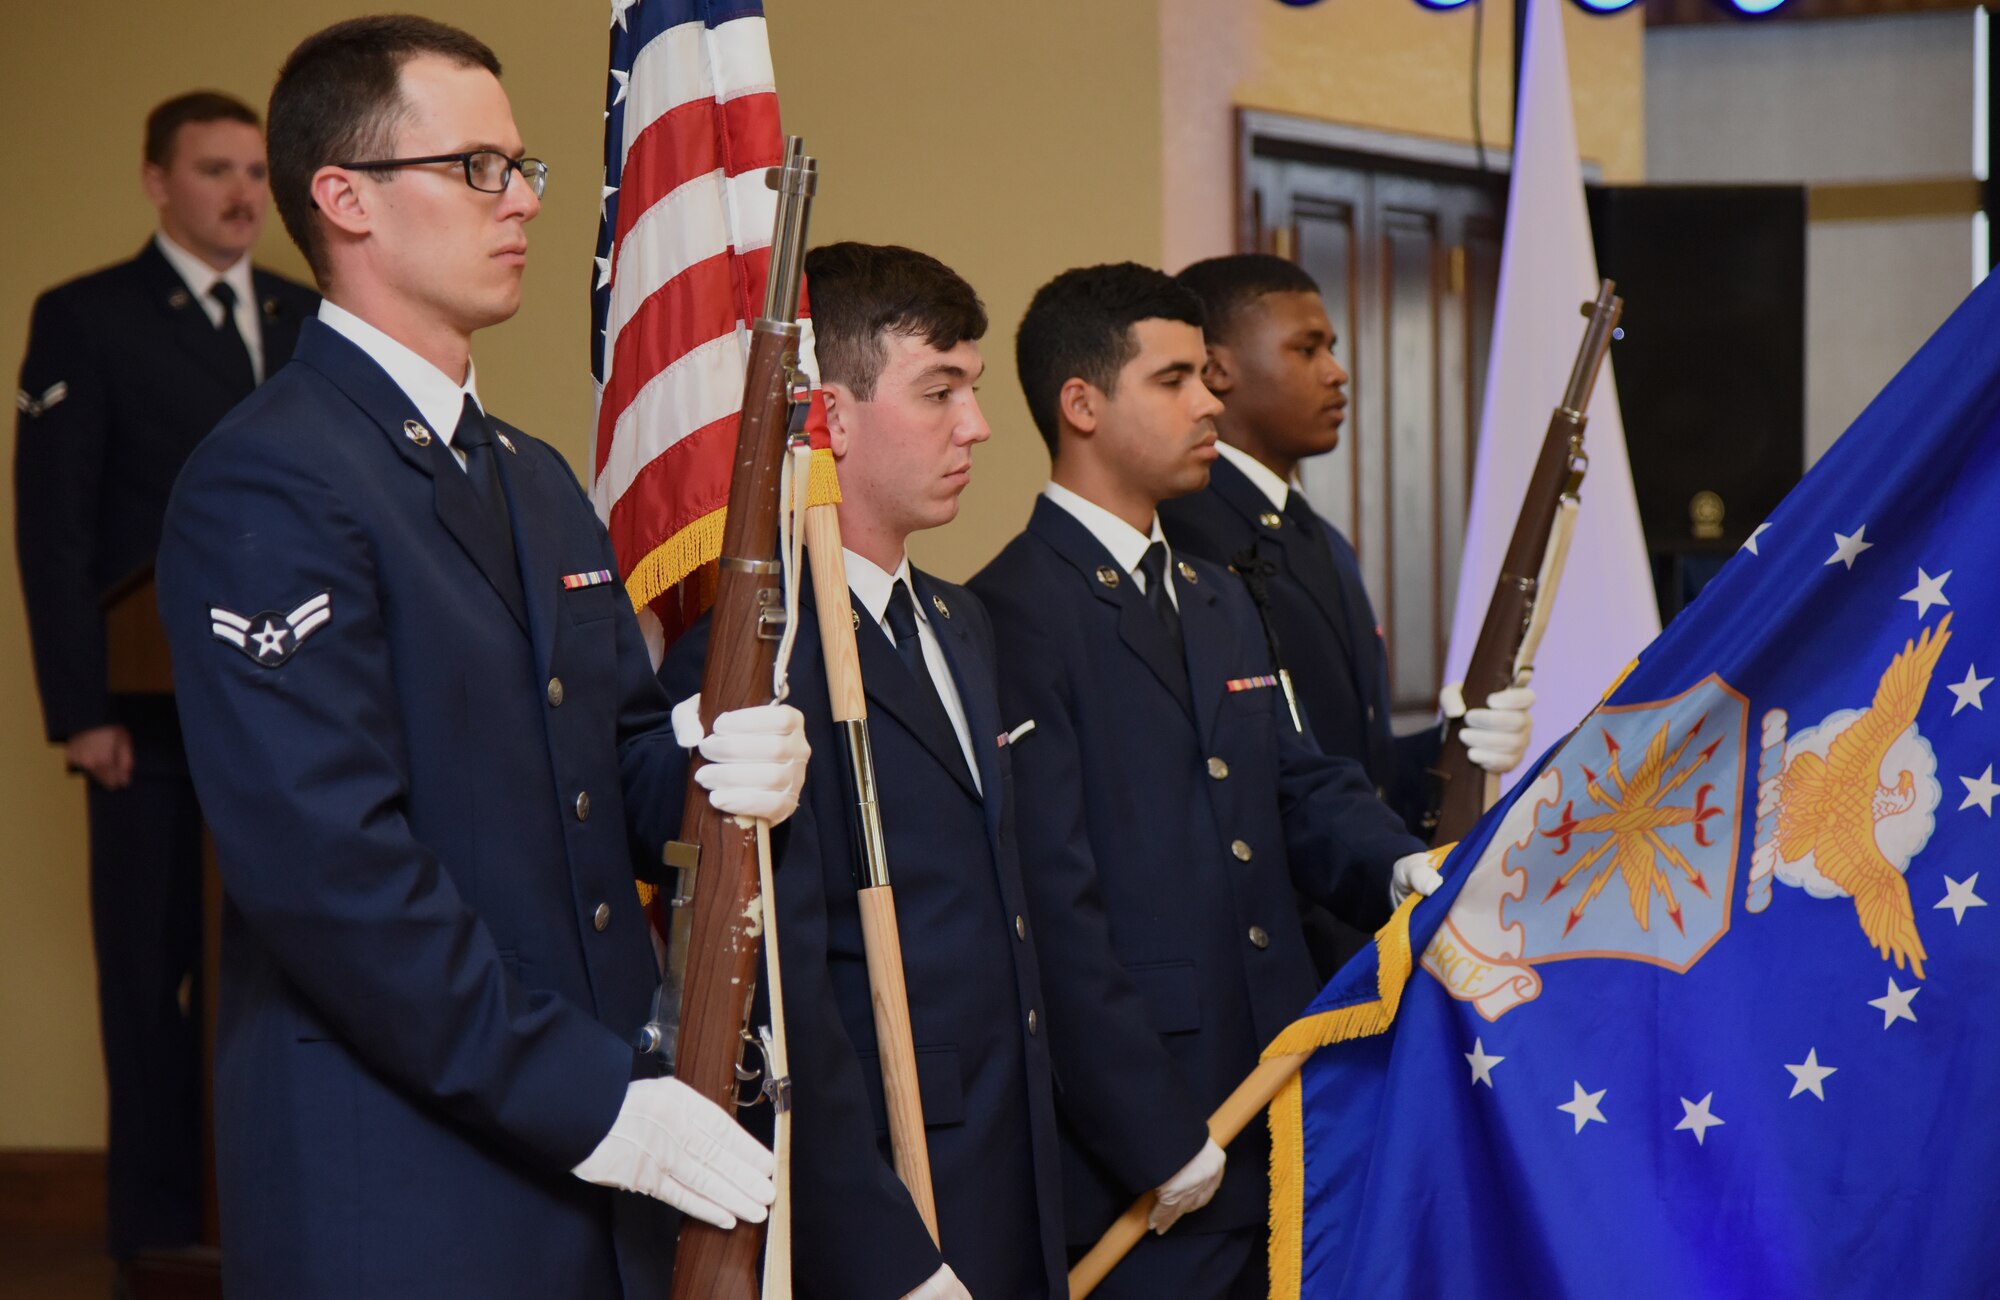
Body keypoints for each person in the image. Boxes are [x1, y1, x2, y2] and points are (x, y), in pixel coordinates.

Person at [153, 18, 794, 1296]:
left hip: (578, 1136)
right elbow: (335, 875)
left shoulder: (530, 476)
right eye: (475, 169)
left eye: (524, 168)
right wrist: (597, 1100)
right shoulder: (270, 478)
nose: (522, 205)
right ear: (345, 200)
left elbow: (605, 766)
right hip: (403, 1162)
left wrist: (712, 764)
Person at [968, 263, 1443, 1299]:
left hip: (1273, 1087)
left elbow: (1291, 780)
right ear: (1081, 404)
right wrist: (1150, 1129)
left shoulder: (1214, 595)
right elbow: (1055, 906)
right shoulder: (1008, 612)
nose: (1209, 403)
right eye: (1174, 379)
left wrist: (1398, 865)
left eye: (1207, 378)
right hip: (1145, 1136)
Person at [658, 243, 1066, 1299]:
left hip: (1010, 1162)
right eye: (938, 393)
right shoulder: (756, 650)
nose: (974, 427)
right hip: (879, 1195)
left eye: (970, 392)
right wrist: (889, 1258)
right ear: (826, 419)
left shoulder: (959, 620)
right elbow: (780, 995)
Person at [11, 88, 318, 1263]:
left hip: (289, 710)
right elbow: (55, 529)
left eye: (254, 171)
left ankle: (260, 1216)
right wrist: (80, 710)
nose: (243, 193)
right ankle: (155, 1230)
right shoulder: (87, 317)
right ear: (157, 182)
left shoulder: (308, 313)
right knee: (149, 974)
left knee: (283, 967)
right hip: (148, 719)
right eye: (214, 170)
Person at [1161, 253, 1534, 973]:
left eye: (1330, 347)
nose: (1337, 372)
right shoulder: (1193, 538)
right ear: (1218, 369)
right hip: (1276, 947)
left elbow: (1352, 762)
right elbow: (1262, 772)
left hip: (1356, 922)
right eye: (1306, 349)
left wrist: (1454, 741)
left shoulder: (1313, 537)